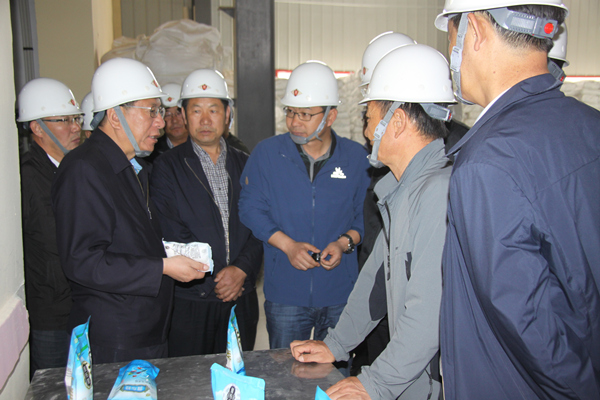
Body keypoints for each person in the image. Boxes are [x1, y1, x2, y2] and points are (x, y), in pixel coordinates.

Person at [435, 1, 600, 398]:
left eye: (452, 37)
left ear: (475, 29)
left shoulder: (488, 160)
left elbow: (529, 324)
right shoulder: (589, 125)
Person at [291, 44, 455, 400]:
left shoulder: (436, 194)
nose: (366, 130)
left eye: (369, 117)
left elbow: (428, 316)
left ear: (397, 121)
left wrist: (375, 383)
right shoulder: (403, 190)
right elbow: (375, 282)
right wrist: (336, 344)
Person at [52, 58, 209, 364]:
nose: (161, 123)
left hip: (146, 327)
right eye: (151, 111)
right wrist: (162, 267)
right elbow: (83, 261)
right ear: (114, 115)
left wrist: (172, 254)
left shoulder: (132, 167)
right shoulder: (84, 169)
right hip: (115, 336)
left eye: (160, 112)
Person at [239, 61, 370, 352]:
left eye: (305, 114)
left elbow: (366, 217)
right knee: (285, 370)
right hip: (286, 294)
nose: (294, 122)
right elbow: (250, 208)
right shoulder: (267, 154)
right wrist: (288, 246)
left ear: (331, 116)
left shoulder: (356, 158)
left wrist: (344, 243)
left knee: (335, 371)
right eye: (290, 112)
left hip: (340, 293)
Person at [150, 69, 262, 356]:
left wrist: (241, 270)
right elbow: (170, 230)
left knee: (238, 373)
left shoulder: (246, 164)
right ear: (184, 116)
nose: (205, 120)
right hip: (191, 300)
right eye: (196, 110)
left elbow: (260, 224)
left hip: (241, 295)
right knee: (191, 377)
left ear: (227, 114)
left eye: (213, 110)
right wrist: (216, 277)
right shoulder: (166, 167)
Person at [353, 31, 415, 375]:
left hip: (410, 306)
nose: (367, 130)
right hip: (380, 295)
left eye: (372, 112)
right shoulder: (382, 161)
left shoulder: (446, 161)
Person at [17, 77, 82, 377]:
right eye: (64, 120)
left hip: (79, 307)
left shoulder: (75, 168)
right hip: (50, 316)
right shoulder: (26, 179)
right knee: (52, 388)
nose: (75, 128)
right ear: (37, 128)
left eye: (76, 119)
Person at [146, 83, 189, 162]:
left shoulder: (204, 147)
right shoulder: (151, 154)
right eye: (168, 114)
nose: (174, 120)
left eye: (178, 113)